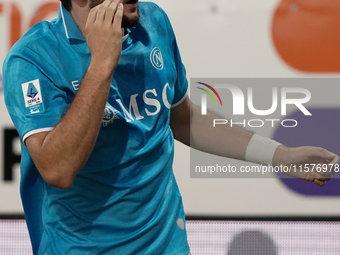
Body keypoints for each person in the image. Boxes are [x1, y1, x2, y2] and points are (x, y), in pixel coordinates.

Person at [2, 0, 338, 254]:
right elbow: (58, 169)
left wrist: (281, 156)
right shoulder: (32, 59)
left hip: (167, 245)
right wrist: (102, 64)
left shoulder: (153, 22)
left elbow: (183, 118)